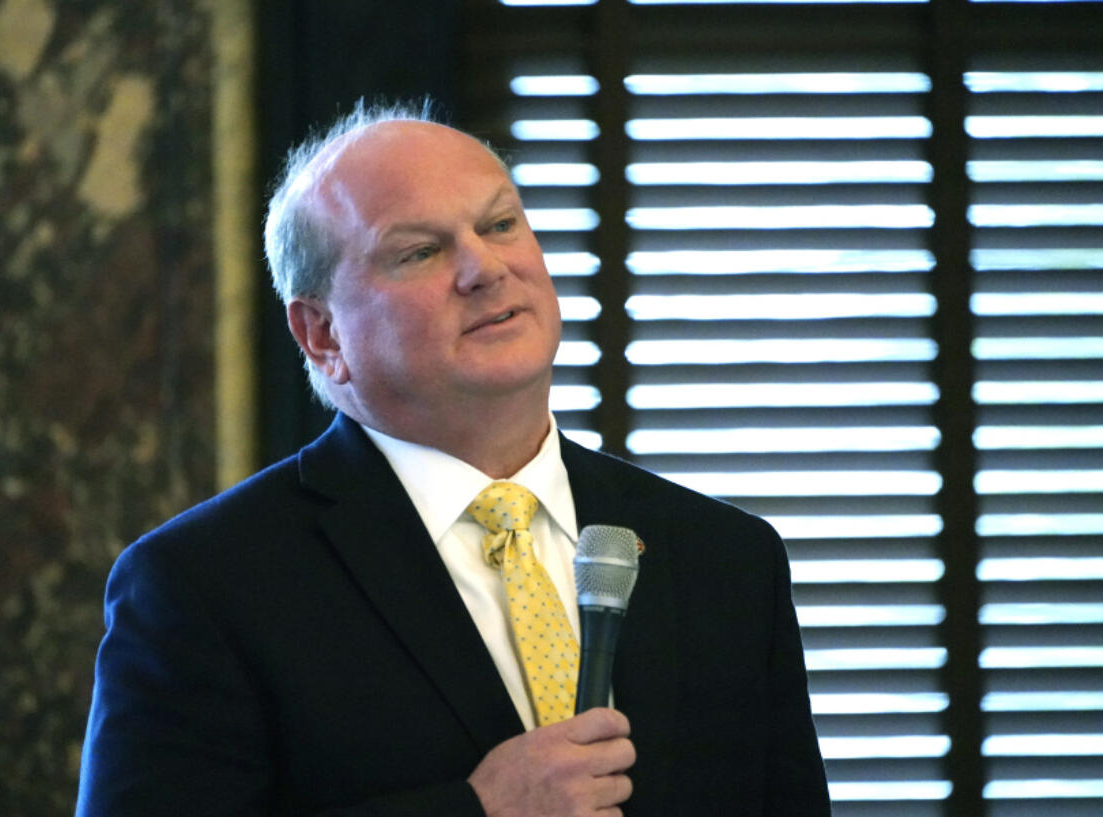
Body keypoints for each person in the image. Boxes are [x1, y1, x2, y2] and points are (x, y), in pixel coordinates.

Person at [76, 101, 830, 817]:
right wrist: (476, 810)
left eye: (501, 224)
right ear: (322, 335)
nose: (485, 268)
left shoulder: (729, 560)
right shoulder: (202, 585)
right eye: (421, 251)